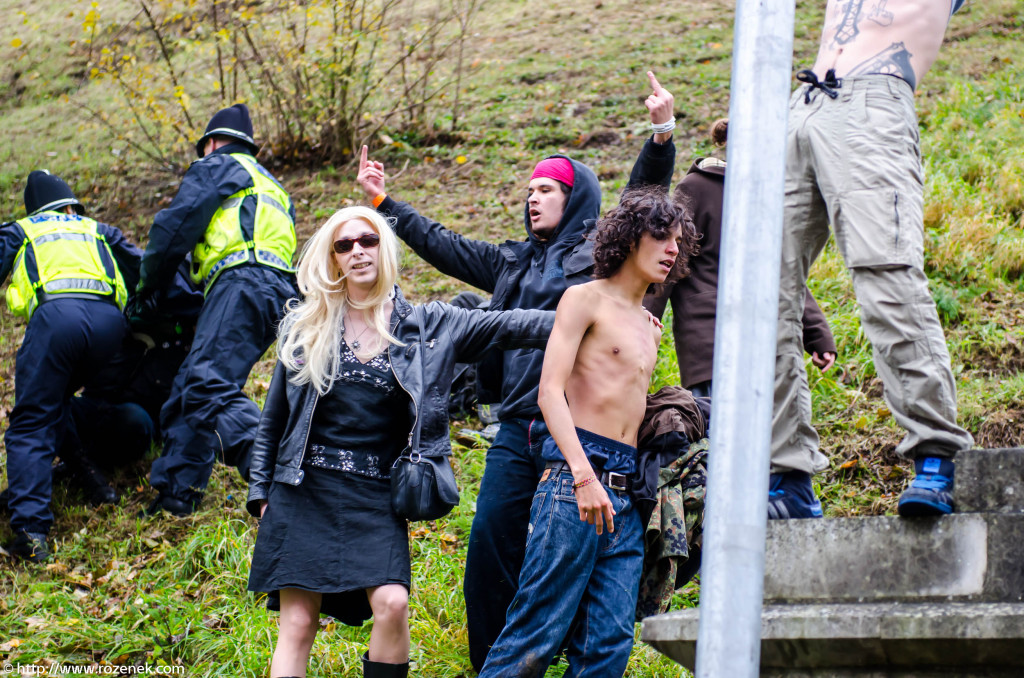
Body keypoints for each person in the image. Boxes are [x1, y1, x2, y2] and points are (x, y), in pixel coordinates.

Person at [357, 74, 673, 669]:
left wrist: (660, 136)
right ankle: (491, 664)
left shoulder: (598, 256)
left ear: (574, 196)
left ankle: (564, 650)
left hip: (575, 430)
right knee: (490, 550)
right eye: (528, 190)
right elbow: (441, 243)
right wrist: (382, 203)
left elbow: (642, 202)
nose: (533, 198)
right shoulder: (511, 259)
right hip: (516, 428)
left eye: (547, 189)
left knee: (570, 554)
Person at [245, 206, 554, 678]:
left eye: (367, 240)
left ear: (384, 246)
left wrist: (599, 312)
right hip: (304, 487)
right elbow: (275, 418)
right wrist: (261, 492)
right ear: (333, 258)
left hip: (374, 492)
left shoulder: (428, 325)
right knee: (299, 622)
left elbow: (512, 325)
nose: (357, 252)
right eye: (343, 245)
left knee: (392, 603)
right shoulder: (307, 325)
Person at [478, 187, 695, 677]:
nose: (672, 249)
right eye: (662, 237)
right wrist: (581, 475)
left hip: (627, 494)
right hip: (574, 481)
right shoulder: (583, 299)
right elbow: (549, 393)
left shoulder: (650, 324)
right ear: (629, 238)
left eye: (679, 241)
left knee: (609, 644)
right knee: (535, 632)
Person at [773, 0, 974, 517]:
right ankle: (786, 472)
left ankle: (935, 452)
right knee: (762, 295)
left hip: (873, 101)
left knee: (885, 275)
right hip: (801, 105)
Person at [636, 112, 838, 519]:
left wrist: (815, 332)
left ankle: (782, 502)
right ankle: (730, 518)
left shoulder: (766, 195)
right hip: (711, 336)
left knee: (775, 423)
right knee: (722, 434)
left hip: (767, 336)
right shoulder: (696, 189)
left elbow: (785, 271)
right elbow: (669, 258)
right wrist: (638, 316)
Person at [130, 103, 299, 516]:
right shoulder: (271, 185)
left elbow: (174, 228)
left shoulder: (219, 166)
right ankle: (176, 495)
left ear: (211, 143)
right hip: (278, 290)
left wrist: (148, 289)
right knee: (193, 384)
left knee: (207, 387)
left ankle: (280, 472)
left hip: (241, 281)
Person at [0, 170, 141, 562]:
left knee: (31, 421)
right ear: (69, 205)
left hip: (57, 322)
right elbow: (144, 270)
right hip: (110, 327)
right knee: (56, 399)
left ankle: (30, 532)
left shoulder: (23, 229)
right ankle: (94, 483)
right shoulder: (98, 229)